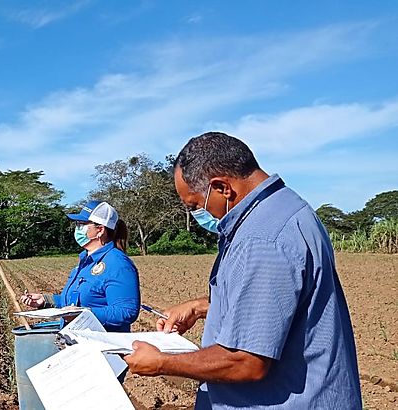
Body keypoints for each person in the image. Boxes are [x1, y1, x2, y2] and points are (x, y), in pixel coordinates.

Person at [122, 132, 361, 409]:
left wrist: (162, 362)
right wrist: (202, 307)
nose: (197, 215)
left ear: (222, 187)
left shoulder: (262, 239)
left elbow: (246, 361)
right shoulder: (284, 209)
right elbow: (277, 307)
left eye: (195, 206)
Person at [20, 200, 140, 332]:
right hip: (76, 342)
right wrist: (46, 300)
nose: (77, 228)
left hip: (100, 346)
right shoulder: (85, 260)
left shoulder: (118, 263)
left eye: (82, 224)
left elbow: (126, 311)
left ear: (100, 230)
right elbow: (79, 302)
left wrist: (83, 314)